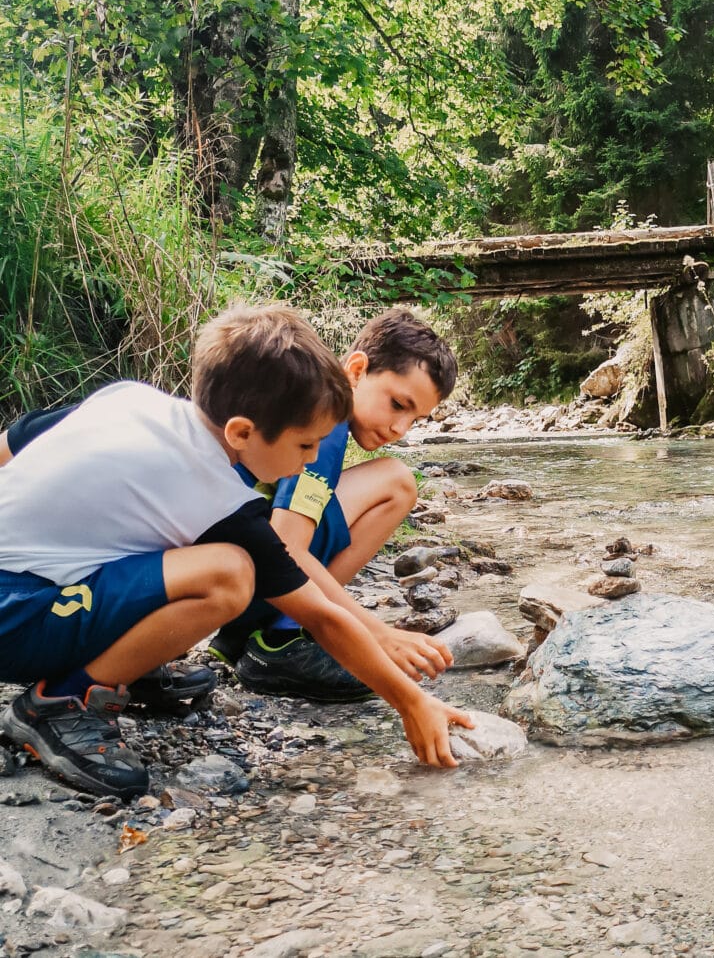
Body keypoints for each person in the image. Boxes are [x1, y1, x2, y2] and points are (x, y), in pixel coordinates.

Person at [0, 305, 472, 800]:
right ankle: (60, 700)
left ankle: (129, 663)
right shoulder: (217, 497)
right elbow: (323, 618)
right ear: (242, 433)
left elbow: (17, 439)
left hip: (29, 592)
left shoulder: (130, 398)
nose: (312, 461)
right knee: (228, 574)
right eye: (305, 446)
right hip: (15, 617)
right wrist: (410, 702)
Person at [209, 308, 460, 702]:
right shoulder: (323, 427)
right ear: (356, 371)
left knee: (396, 480)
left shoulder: (314, 409)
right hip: (234, 575)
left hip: (231, 568)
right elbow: (286, 546)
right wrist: (374, 634)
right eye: (397, 404)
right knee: (396, 483)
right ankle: (283, 637)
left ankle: (266, 630)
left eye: (416, 418)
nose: (400, 429)